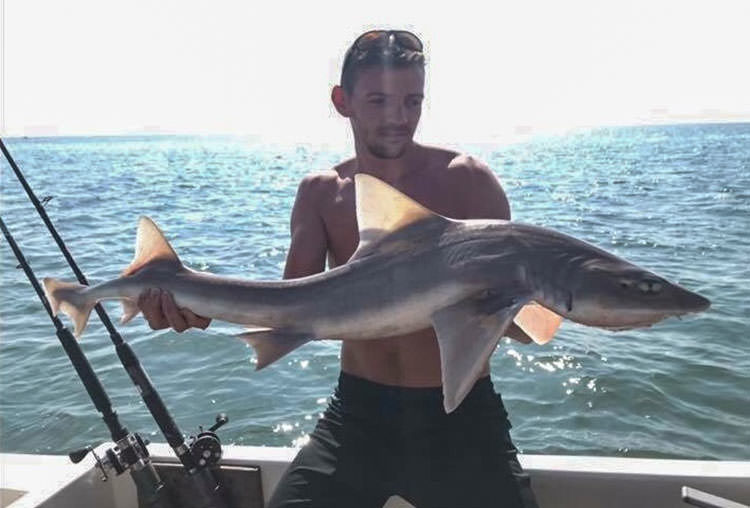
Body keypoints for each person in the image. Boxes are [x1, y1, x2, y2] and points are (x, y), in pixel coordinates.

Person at [138, 29, 539, 508]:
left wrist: (557, 299)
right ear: (342, 100)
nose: (398, 117)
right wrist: (195, 312)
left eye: (412, 101)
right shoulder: (322, 193)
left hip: (462, 416)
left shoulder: (470, 182)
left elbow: (522, 323)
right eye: (378, 101)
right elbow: (287, 310)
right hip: (358, 416)